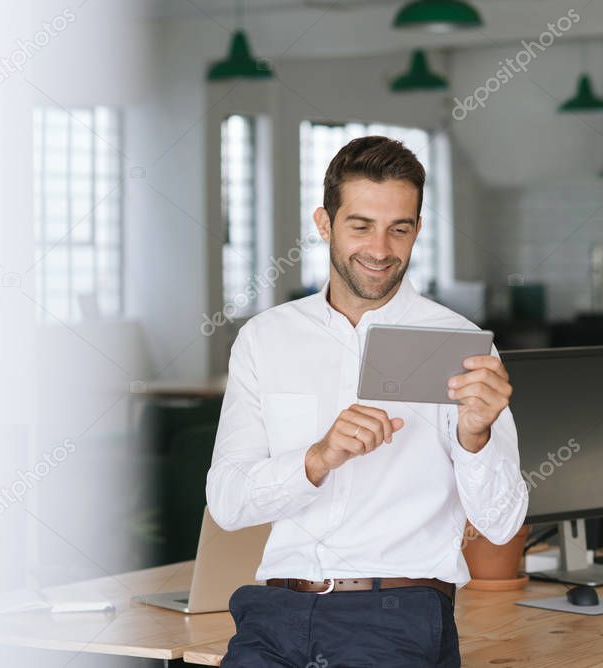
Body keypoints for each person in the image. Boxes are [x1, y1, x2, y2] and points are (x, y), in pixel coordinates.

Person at [205, 136, 528, 667]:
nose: (380, 250)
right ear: (324, 224)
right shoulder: (265, 338)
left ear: (417, 230)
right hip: (271, 615)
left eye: (399, 229)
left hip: (395, 617)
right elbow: (227, 502)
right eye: (360, 226)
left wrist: (477, 436)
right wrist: (316, 459)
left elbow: (501, 523)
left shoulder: (460, 345)